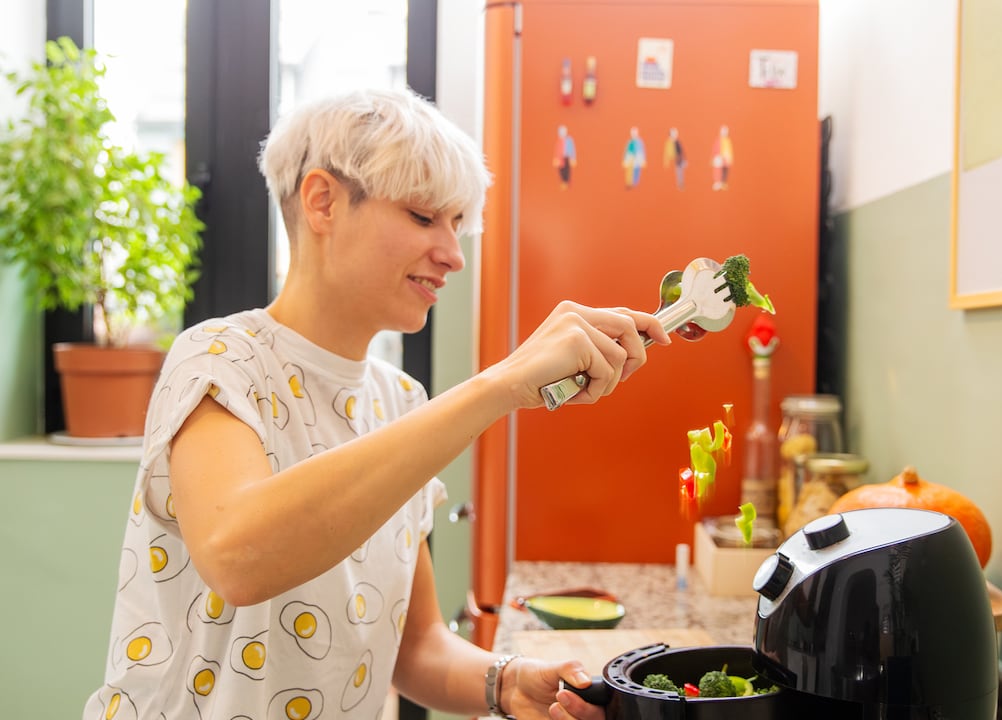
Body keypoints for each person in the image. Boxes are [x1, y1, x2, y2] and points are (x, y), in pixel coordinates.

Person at [82, 87, 668, 720]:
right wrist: (499, 384)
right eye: (423, 217)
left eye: (457, 225)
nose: (453, 254)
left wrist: (506, 680)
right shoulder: (220, 359)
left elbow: (414, 649)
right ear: (323, 201)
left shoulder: (401, 401)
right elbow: (238, 556)